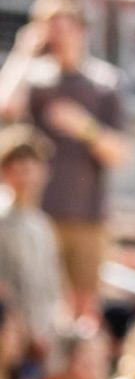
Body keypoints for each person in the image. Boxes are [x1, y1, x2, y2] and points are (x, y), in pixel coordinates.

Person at [0, 0, 130, 317]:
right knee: (30, 303)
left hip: (88, 217)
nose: (58, 35)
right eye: (50, 27)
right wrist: (24, 50)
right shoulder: (34, 78)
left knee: (83, 310)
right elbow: (6, 107)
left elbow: (119, 154)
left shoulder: (105, 82)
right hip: (36, 215)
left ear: (82, 29)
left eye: (64, 26)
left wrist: (84, 126)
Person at [0, 123, 66, 357]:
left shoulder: (42, 225)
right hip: (10, 334)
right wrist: (21, 328)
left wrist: (47, 328)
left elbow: (52, 285)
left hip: (40, 335)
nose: (26, 175)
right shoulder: (3, 220)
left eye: (32, 167)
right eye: (18, 167)